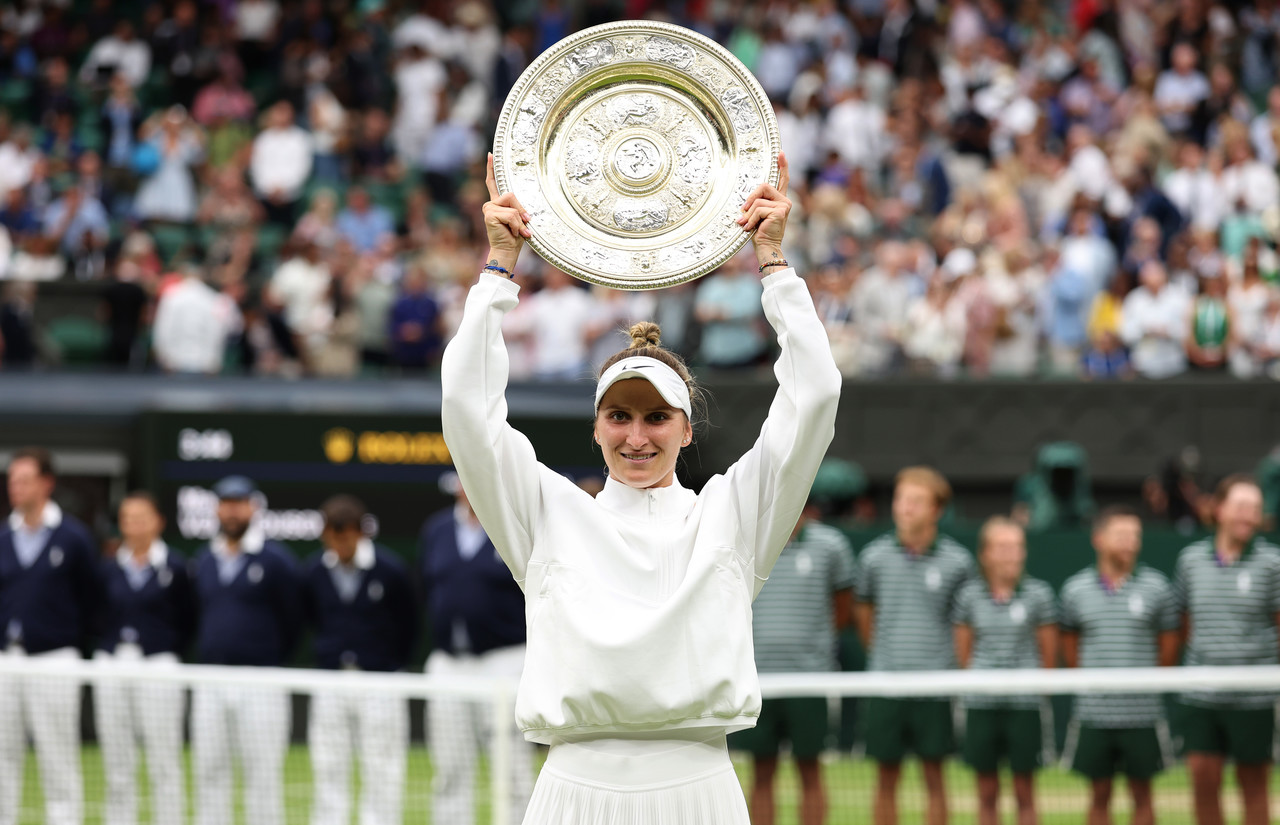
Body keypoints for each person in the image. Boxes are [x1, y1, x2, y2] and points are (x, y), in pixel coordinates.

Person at [440, 151, 839, 822]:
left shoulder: (733, 513)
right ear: (596, 427)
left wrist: (773, 262)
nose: (636, 436)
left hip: (699, 789)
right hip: (573, 788)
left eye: (657, 417)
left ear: (687, 430)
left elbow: (817, 393)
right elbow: (465, 406)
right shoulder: (547, 513)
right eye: (618, 416)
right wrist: (499, 268)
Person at [855, 466, 974, 825]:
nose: (905, 508)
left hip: (935, 689)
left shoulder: (959, 563)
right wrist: (885, 655)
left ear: (936, 510)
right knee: (885, 781)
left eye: (916, 501)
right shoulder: (873, 559)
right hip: (885, 685)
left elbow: (962, 626)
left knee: (935, 779)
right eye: (901, 499)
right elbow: (865, 617)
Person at [729, 494, 855, 825]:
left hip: (810, 681)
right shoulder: (744, 542)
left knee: (810, 769)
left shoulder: (831, 546)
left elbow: (842, 608)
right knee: (762, 771)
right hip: (759, 681)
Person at [419, 472, 531, 825]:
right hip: (449, 664)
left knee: (511, 768)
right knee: (449, 768)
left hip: (504, 660)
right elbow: (426, 588)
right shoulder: (436, 530)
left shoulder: (511, 525)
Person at [191, 474, 303, 825]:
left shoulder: (277, 560)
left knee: (262, 776)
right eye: (226, 504)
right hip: (210, 678)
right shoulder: (204, 560)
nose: (232, 512)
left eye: (239, 504)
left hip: (261, 680)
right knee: (209, 773)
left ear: (253, 507)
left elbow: (293, 621)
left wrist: (267, 655)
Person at [1060, 506, 1180, 825]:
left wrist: (1149, 683)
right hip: (1094, 713)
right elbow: (1070, 647)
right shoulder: (1075, 590)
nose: (1130, 542)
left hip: (1142, 713)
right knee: (1099, 795)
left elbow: (1168, 647)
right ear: (1099, 539)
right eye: (1121, 535)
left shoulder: (1157, 587)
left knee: (1143, 795)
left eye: (1135, 536)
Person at [0, 447, 100, 825]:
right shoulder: (2, 537)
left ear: (46, 483)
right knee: (2, 758)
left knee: (58, 758)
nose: (16, 488)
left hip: (55, 660)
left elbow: (92, 600)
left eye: (24, 480)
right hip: (5, 662)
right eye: (12, 481)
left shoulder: (74, 538)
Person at [1173, 475, 1280, 825]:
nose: (1249, 516)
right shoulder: (1190, 561)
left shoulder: (1273, 564)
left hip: (1254, 698)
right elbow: (1186, 623)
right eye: (1241, 507)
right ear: (1219, 510)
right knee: (1204, 784)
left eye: (1255, 509)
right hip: (1201, 696)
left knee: (1254, 787)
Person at [304, 495, 416, 825]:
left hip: (381, 681)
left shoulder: (391, 570)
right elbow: (310, 618)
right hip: (330, 680)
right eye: (334, 535)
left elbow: (408, 625)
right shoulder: (314, 572)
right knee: (328, 765)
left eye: (347, 534)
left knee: (382, 767)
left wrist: (387, 663)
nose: (341, 543)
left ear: (360, 532)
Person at [95, 490, 194, 825]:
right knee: (117, 761)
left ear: (159, 523)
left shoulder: (177, 567)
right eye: (127, 518)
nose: (133, 525)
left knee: (164, 760)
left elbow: (188, 618)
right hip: (111, 664)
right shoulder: (107, 569)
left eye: (141, 518)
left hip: (159, 666)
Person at [952, 517, 1057, 825]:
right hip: (981, 705)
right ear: (985, 553)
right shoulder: (968, 597)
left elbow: (1048, 655)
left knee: (1025, 792)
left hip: (1025, 706)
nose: (1012, 553)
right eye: (1003, 547)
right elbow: (964, 654)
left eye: (1017, 547)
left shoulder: (1040, 595)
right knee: (986, 793)